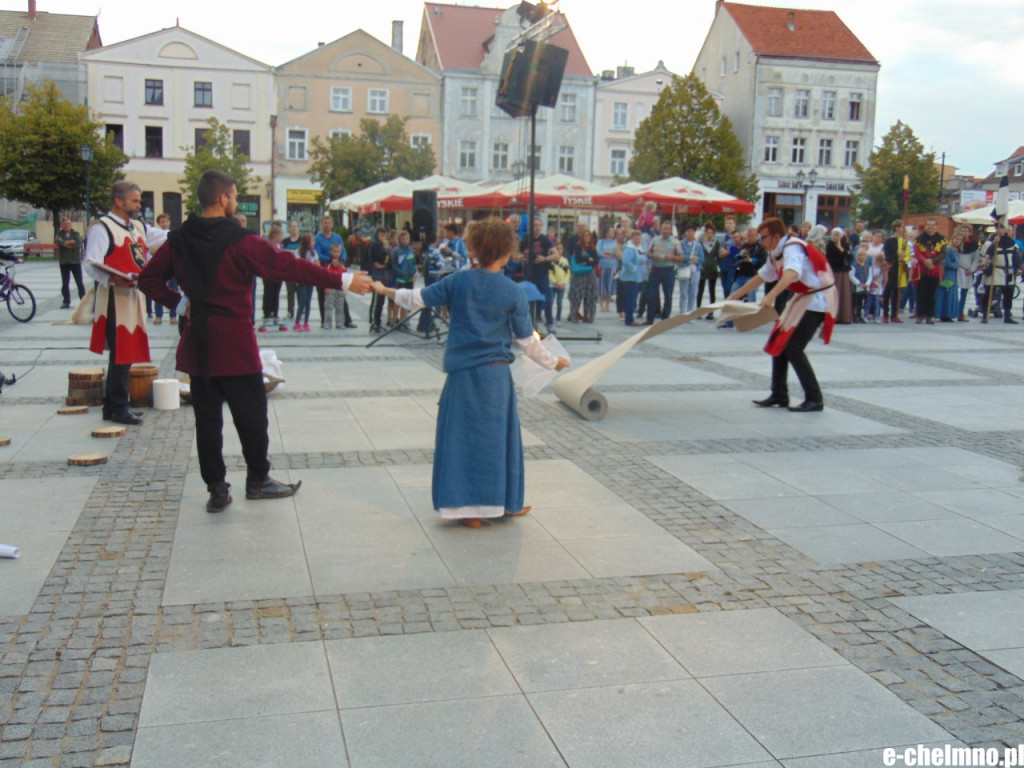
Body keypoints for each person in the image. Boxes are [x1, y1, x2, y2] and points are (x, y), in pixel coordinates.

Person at [139, 170, 372, 512]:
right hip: (235, 345)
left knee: (207, 423)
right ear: (223, 199)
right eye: (234, 195)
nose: (235, 201)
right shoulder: (240, 240)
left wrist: (180, 302)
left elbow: (147, 279)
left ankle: (217, 489)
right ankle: (258, 480)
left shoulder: (178, 239)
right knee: (251, 417)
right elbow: (287, 266)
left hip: (199, 344)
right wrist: (342, 280)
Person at [369, 217, 568, 528]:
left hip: (462, 375)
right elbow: (528, 342)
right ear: (506, 252)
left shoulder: (458, 281)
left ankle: (467, 508)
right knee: (497, 440)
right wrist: (555, 362)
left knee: (461, 440)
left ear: (474, 248)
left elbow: (416, 298)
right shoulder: (513, 291)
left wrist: (384, 289)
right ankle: (503, 502)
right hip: (495, 378)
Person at [725, 217, 838, 412]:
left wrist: (771, 295)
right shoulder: (775, 253)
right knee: (778, 341)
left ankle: (814, 398)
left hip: (819, 299)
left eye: (763, 237)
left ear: (776, 237)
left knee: (794, 347)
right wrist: (731, 298)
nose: (760, 241)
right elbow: (761, 277)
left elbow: (792, 273)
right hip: (805, 297)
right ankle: (779, 394)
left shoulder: (792, 247)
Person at [83, 181, 168, 426]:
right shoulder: (103, 227)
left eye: (139, 201)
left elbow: (164, 237)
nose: (139, 205)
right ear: (118, 201)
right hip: (114, 296)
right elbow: (91, 262)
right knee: (121, 352)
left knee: (126, 352)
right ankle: (118, 407)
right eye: (135, 201)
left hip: (132, 294)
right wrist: (112, 278)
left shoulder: (138, 226)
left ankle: (112, 406)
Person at [519, 217, 556, 333]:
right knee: (527, 299)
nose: (538, 228)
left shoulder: (545, 239)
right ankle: (528, 322)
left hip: (542, 272)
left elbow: (556, 254)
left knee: (547, 299)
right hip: (529, 273)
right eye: (535, 225)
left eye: (539, 225)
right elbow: (516, 254)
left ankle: (549, 322)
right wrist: (524, 257)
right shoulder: (526, 239)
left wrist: (544, 259)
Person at [979, 224, 1021, 324]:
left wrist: (1018, 268)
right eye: (1000, 228)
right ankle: (985, 314)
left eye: (1004, 228)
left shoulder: (1011, 242)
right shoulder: (991, 242)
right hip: (995, 270)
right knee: (989, 293)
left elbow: (1016, 256)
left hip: (1007, 270)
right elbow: (987, 254)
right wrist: (994, 243)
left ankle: (1007, 315)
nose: (1002, 230)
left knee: (1008, 294)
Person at [645, 219, 682, 324]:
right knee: (652, 295)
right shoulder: (655, 240)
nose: (665, 231)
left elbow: (681, 257)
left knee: (668, 295)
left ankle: (665, 318)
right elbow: (648, 252)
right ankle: (650, 318)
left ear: (671, 231)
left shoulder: (675, 242)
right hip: (656, 269)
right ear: (661, 229)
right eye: (664, 229)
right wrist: (653, 256)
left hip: (668, 270)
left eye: (667, 229)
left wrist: (672, 257)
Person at [913, 217, 947, 325]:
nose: (930, 227)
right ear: (925, 226)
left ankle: (929, 316)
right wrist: (925, 261)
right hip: (922, 269)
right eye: (928, 225)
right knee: (921, 293)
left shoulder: (942, 239)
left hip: (934, 269)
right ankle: (920, 315)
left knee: (931, 294)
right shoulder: (919, 239)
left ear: (936, 226)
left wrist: (932, 261)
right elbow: (917, 253)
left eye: (932, 225)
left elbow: (943, 254)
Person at [314, 215, 345, 327]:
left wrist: (340, 261)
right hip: (324, 269)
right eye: (325, 223)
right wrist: (330, 260)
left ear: (332, 224)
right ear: (322, 224)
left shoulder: (337, 237)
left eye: (329, 223)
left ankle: (344, 321)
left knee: (341, 298)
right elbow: (317, 253)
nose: (327, 225)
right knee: (323, 296)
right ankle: (325, 321)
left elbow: (343, 251)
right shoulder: (318, 238)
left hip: (338, 268)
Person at [258, 221, 288, 332]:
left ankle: (275, 313)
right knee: (268, 293)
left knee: (276, 293)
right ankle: (267, 313)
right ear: (275, 235)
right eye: (281, 235)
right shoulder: (268, 245)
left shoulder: (281, 246)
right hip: (269, 273)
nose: (282, 237)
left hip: (278, 273)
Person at [882, 219, 909, 323]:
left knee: (897, 292)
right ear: (896, 228)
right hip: (892, 268)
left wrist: (906, 258)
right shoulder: (889, 241)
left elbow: (907, 254)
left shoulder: (904, 241)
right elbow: (887, 256)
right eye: (902, 227)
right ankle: (885, 314)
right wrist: (897, 254)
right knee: (888, 291)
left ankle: (894, 314)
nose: (903, 229)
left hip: (901, 267)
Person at [568, 229, 598, 323]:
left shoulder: (593, 248)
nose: (586, 237)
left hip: (590, 274)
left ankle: (587, 315)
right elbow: (578, 259)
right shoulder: (578, 247)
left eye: (588, 235)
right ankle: (575, 314)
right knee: (577, 294)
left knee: (590, 295)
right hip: (579, 274)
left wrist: (586, 261)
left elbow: (596, 261)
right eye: (585, 235)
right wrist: (589, 259)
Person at [55, 217, 85, 309]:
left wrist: (65, 243)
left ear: (71, 225)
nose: (66, 225)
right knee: (65, 283)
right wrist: (69, 242)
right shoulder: (59, 234)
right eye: (64, 224)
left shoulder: (76, 234)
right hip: (64, 262)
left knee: (79, 282)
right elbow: (59, 243)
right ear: (61, 225)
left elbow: (78, 244)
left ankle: (83, 301)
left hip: (75, 262)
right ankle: (66, 301)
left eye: (68, 224)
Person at [825, 227, 853, 324]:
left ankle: (844, 316)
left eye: (838, 234)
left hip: (843, 272)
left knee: (844, 294)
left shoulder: (845, 245)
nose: (836, 236)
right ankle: (833, 316)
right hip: (834, 271)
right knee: (834, 293)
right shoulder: (830, 245)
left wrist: (840, 247)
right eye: (834, 234)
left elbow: (849, 257)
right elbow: (830, 259)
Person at [366, 226, 391, 333]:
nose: (383, 237)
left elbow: (387, 259)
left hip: (384, 275)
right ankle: (374, 322)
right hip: (377, 275)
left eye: (385, 235)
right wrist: (385, 250)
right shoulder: (374, 244)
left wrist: (386, 264)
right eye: (381, 235)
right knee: (377, 299)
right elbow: (378, 258)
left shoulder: (385, 245)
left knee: (381, 300)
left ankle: (378, 321)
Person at [293, 234, 318, 331]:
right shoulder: (298, 252)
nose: (314, 242)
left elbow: (317, 264)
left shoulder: (313, 252)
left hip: (310, 279)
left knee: (308, 301)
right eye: (312, 241)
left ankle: (306, 322)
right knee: (302, 301)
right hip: (302, 280)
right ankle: (297, 322)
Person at [619, 230, 644, 326]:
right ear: (631, 239)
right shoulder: (629, 249)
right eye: (635, 239)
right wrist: (634, 269)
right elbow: (625, 261)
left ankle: (629, 317)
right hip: (630, 278)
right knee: (630, 299)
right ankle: (629, 319)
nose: (637, 240)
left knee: (632, 299)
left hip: (635, 278)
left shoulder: (637, 248)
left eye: (639, 239)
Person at [697, 222, 722, 315]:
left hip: (712, 269)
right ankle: (698, 311)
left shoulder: (716, 244)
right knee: (700, 290)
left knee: (712, 290)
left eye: (711, 233)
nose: (710, 234)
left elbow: (719, 256)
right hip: (702, 269)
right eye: (708, 232)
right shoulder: (700, 243)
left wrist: (716, 264)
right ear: (705, 233)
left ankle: (711, 312)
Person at [323, 243, 347, 329]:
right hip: (331, 288)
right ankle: (327, 323)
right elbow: (325, 276)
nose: (337, 254)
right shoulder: (328, 264)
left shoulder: (343, 265)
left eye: (338, 252)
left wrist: (346, 289)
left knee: (340, 307)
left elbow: (345, 277)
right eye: (335, 251)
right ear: (331, 252)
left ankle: (339, 323)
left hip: (340, 288)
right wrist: (326, 287)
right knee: (329, 307)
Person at [280, 220, 301, 320]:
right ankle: (290, 311)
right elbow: (282, 252)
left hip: (300, 269)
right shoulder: (285, 241)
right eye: (292, 227)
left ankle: (301, 310)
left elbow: (303, 252)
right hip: (289, 270)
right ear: (289, 229)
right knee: (290, 292)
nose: (294, 229)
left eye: (295, 227)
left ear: (298, 229)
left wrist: (290, 252)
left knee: (300, 291)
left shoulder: (302, 240)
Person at [677, 223, 699, 314]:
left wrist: (696, 260)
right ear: (685, 232)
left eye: (692, 231)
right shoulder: (680, 243)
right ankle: (682, 312)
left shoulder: (697, 244)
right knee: (683, 292)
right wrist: (689, 258)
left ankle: (690, 312)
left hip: (695, 269)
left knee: (693, 293)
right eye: (688, 231)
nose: (690, 233)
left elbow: (702, 257)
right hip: (684, 268)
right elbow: (680, 255)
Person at [596, 226, 618, 313]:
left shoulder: (615, 242)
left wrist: (606, 251)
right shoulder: (601, 242)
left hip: (612, 265)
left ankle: (607, 305)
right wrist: (606, 255)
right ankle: (601, 304)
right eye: (611, 231)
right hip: (602, 265)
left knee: (610, 285)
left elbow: (615, 252)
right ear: (606, 232)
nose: (613, 232)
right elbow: (598, 251)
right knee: (601, 285)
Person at [549, 244, 570, 324]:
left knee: (559, 302)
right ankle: (549, 318)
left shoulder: (564, 260)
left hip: (562, 284)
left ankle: (558, 318)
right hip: (552, 284)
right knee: (550, 301)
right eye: (557, 248)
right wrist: (554, 282)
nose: (559, 250)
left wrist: (564, 282)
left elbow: (567, 272)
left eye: (560, 248)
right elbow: (549, 273)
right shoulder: (551, 260)